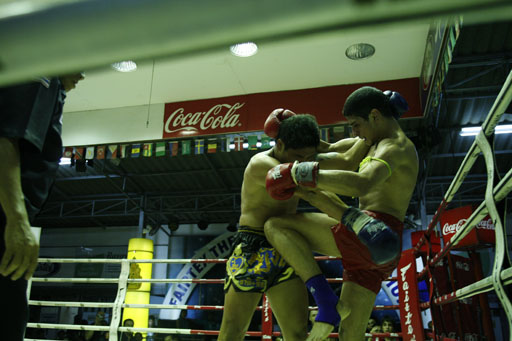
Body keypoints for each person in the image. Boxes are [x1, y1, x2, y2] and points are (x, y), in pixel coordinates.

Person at [264, 86, 418, 340]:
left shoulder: (395, 148)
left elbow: (362, 183)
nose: (354, 132)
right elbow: (323, 149)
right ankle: (330, 306)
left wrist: (297, 173)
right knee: (351, 333)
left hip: (372, 231)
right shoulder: (370, 142)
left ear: (375, 116)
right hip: (377, 247)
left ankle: (324, 301)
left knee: (276, 226)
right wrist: (290, 128)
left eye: (356, 124)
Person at [218, 109, 368, 341]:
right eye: (297, 156)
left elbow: (342, 156)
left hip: (287, 247)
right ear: (279, 144)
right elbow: (342, 162)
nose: (303, 163)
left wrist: (371, 132)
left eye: (308, 157)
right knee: (232, 332)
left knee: (297, 334)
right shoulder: (261, 164)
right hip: (252, 248)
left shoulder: (302, 158)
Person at [0, 73, 84, 341]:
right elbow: (4, 139)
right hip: (5, 214)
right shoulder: (39, 75)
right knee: (8, 319)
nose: (84, 73)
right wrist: (16, 219)